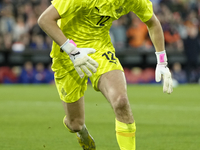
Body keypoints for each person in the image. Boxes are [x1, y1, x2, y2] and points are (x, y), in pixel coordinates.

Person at [38, 0, 173, 149]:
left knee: (121, 101)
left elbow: (152, 23)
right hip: (66, 52)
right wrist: (73, 51)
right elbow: (45, 20)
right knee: (75, 124)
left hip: (100, 49)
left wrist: (162, 61)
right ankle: (81, 133)